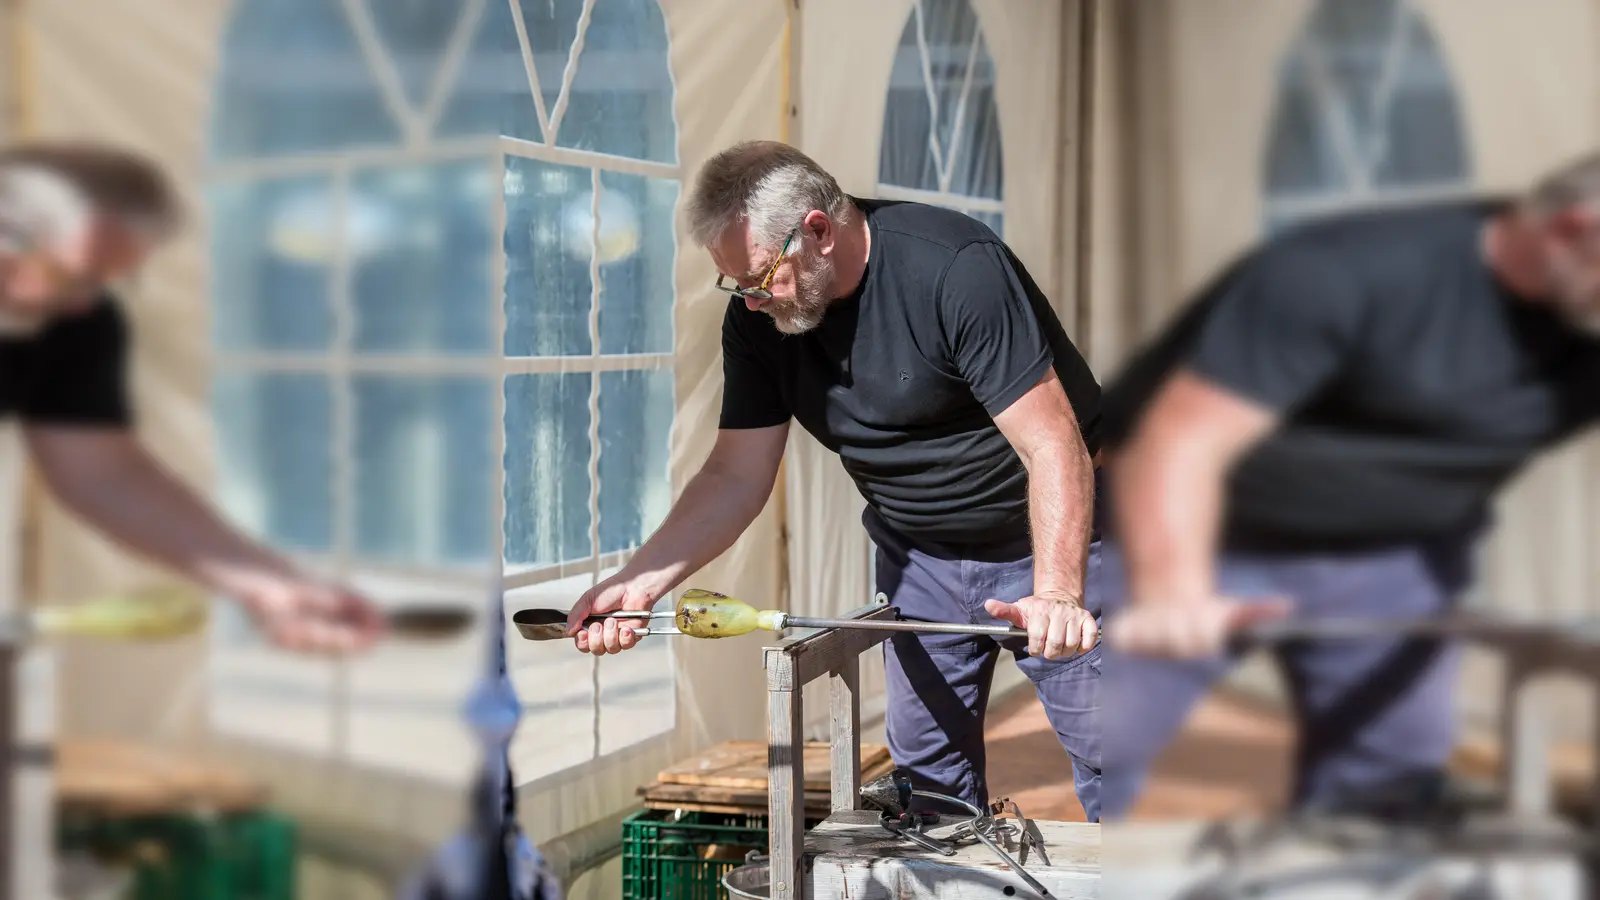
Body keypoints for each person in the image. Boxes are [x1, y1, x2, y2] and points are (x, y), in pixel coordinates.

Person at [565, 140, 1106, 820]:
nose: (752, 303)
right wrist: (637, 584)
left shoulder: (954, 269)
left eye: (760, 280)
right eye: (736, 285)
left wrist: (1058, 592)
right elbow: (735, 474)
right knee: (929, 787)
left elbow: (1055, 443)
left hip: (1059, 541)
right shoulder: (758, 326)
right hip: (921, 560)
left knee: (1115, 757)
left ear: (818, 230)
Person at [1095, 150, 1600, 819]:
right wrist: (1170, 593)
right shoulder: (1345, 273)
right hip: (1197, 536)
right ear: (1571, 229)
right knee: (1102, 741)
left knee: (1383, 792)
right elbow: (1182, 443)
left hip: (1397, 559)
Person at [0, 141, 385, 654]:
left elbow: (106, 477)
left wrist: (273, 585)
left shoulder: (77, 322)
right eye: (73, 276)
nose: (83, 304)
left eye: (109, 281)